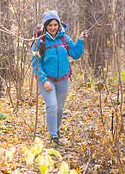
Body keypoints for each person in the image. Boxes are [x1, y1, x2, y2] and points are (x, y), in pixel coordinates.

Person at [32, 10, 88, 147]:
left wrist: (80, 40)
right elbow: (36, 64)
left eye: (55, 24)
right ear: (45, 26)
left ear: (58, 25)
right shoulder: (39, 42)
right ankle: (53, 136)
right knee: (52, 106)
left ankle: (56, 130)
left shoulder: (64, 39)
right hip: (47, 79)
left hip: (63, 79)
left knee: (59, 108)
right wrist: (44, 80)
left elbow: (75, 54)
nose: (53, 27)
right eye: (50, 25)